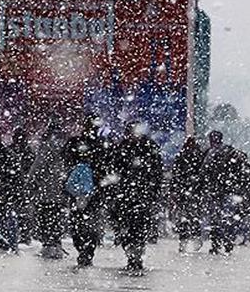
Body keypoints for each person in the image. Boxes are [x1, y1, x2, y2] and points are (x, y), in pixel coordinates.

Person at [110, 122, 163, 272]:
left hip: (141, 195)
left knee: (139, 228)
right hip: (126, 196)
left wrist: (153, 191)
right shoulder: (123, 147)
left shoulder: (148, 147)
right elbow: (115, 170)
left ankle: (136, 257)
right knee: (125, 228)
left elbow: (157, 171)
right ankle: (131, 255)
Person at [63, 116, 105, 267]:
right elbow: (105, 169)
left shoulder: (74, 142)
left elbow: (66, 162)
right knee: (89, 224)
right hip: (93, 192)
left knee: (77, 223)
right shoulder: (101, 145)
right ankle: (87, 252)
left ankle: (83, 249)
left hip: (77, 192)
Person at [28, 123, 68, 259]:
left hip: (46, 193)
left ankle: (48, 245)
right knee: (57, 218)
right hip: (60, 192)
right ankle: (56, 244)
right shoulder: (64, 149)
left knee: (46, 219)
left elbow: (36, 170)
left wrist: (31, 184)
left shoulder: (46, 149)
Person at [200, 130, 242, 255]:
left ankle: (216, 244)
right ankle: (227, 241)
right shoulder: (230, 151)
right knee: (227, 218)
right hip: (228, 190)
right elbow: (238, 169)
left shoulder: (210, 153)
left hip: (216, 191)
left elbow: (203, 172)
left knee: (216, 218)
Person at [170, 136, 205, 252]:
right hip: (191, 192)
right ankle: (190, 239)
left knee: (187, 218)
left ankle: (187, 240)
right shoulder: (199, 157)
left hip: (188, 192)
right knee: (190, 217)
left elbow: (175, 176)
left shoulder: (183, 157)